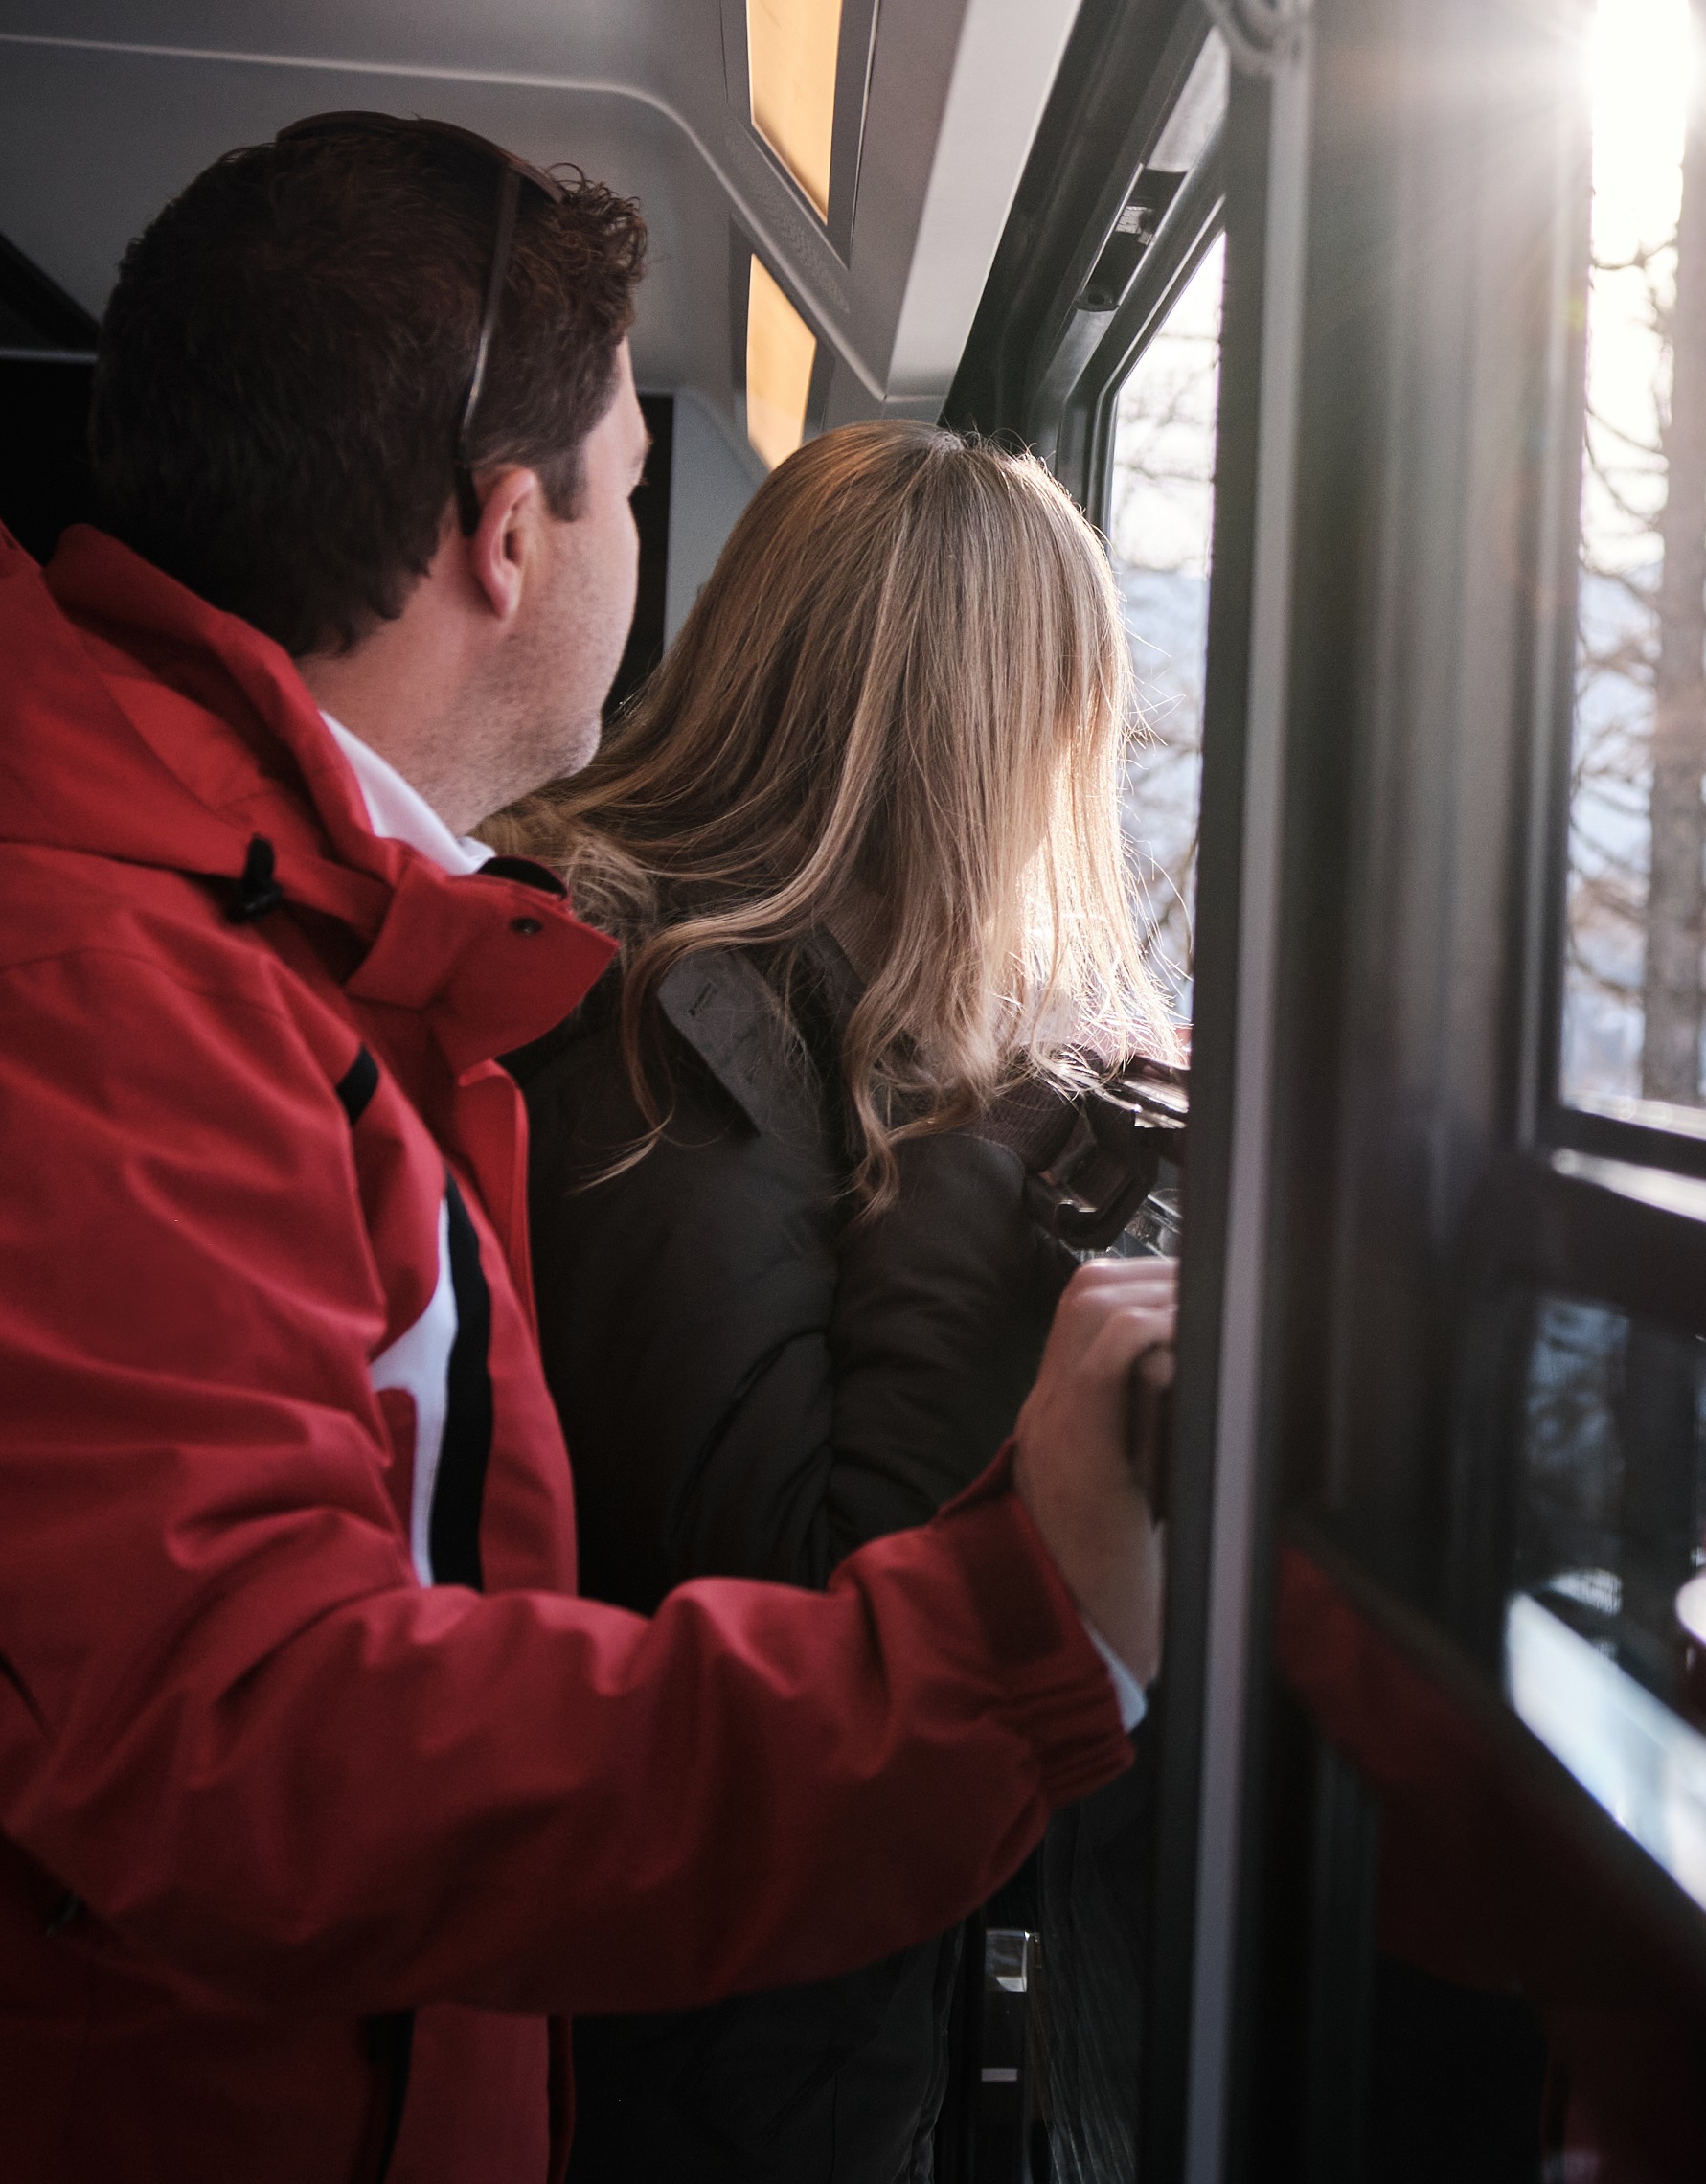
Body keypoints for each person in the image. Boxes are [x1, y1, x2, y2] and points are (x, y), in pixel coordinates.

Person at [0, 115, 1175, 2180]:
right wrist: (1025, 1633)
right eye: (636, 499)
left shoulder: (294, 946)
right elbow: (252, 1758)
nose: (643, 572)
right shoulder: (53, 986)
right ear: (509, 536)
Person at [492, 420, 1182, 2184]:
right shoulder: (658, 1038)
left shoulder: (795, 1029)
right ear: (1009, 750)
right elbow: (803, 1592)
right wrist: (1029, 1150)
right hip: (703, 2077)